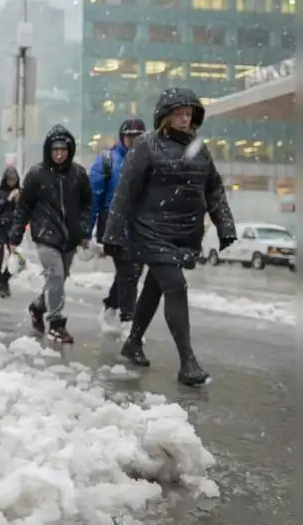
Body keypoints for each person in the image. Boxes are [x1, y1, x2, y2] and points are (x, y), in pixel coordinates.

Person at [103, 88, 236, 386]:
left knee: (155, 286)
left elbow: (213, 188)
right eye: (179, 113)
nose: (185, 119)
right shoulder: (147, 146)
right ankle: (187, 362)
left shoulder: (199, 149)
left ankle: (133, 341)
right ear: (164, 115)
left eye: (189, 114)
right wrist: (113, 232)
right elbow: (125, 193)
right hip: (150, 230)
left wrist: (225, 225)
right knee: (176, 285)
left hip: (184, 233)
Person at [9, 125, 92, 344]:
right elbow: (24, 207)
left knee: (59, 280)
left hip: (70, 238)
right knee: (55, 276)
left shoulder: (79, 174)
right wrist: (15, 237)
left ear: (70, 150)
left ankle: (38, 306)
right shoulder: (36, 175)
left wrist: (83, 229)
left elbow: (86, 204)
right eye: (55, 149)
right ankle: (56, 323)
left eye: (63, 149)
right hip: (45, 235)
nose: (59, 154)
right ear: (48, 150)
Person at [88, 118, 147, 331]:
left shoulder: (149, 161)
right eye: (129, 136)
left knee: (132, 271)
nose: (133, 141)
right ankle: (127, 321)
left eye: (138, 137)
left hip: (140, 226)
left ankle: (111, 306)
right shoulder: (107, 161)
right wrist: (87, 233)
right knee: (128, 270)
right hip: (113, 223)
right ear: (122, 137)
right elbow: (93, 199)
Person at [0, 167, 21, 298]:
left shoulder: (20, 192)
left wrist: (19, 201)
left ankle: (4, 280)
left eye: (14, 179)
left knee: (17, 259)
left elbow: (25, 210)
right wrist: (8, 199)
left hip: (14, 229)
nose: (12, 182)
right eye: (9, 179)